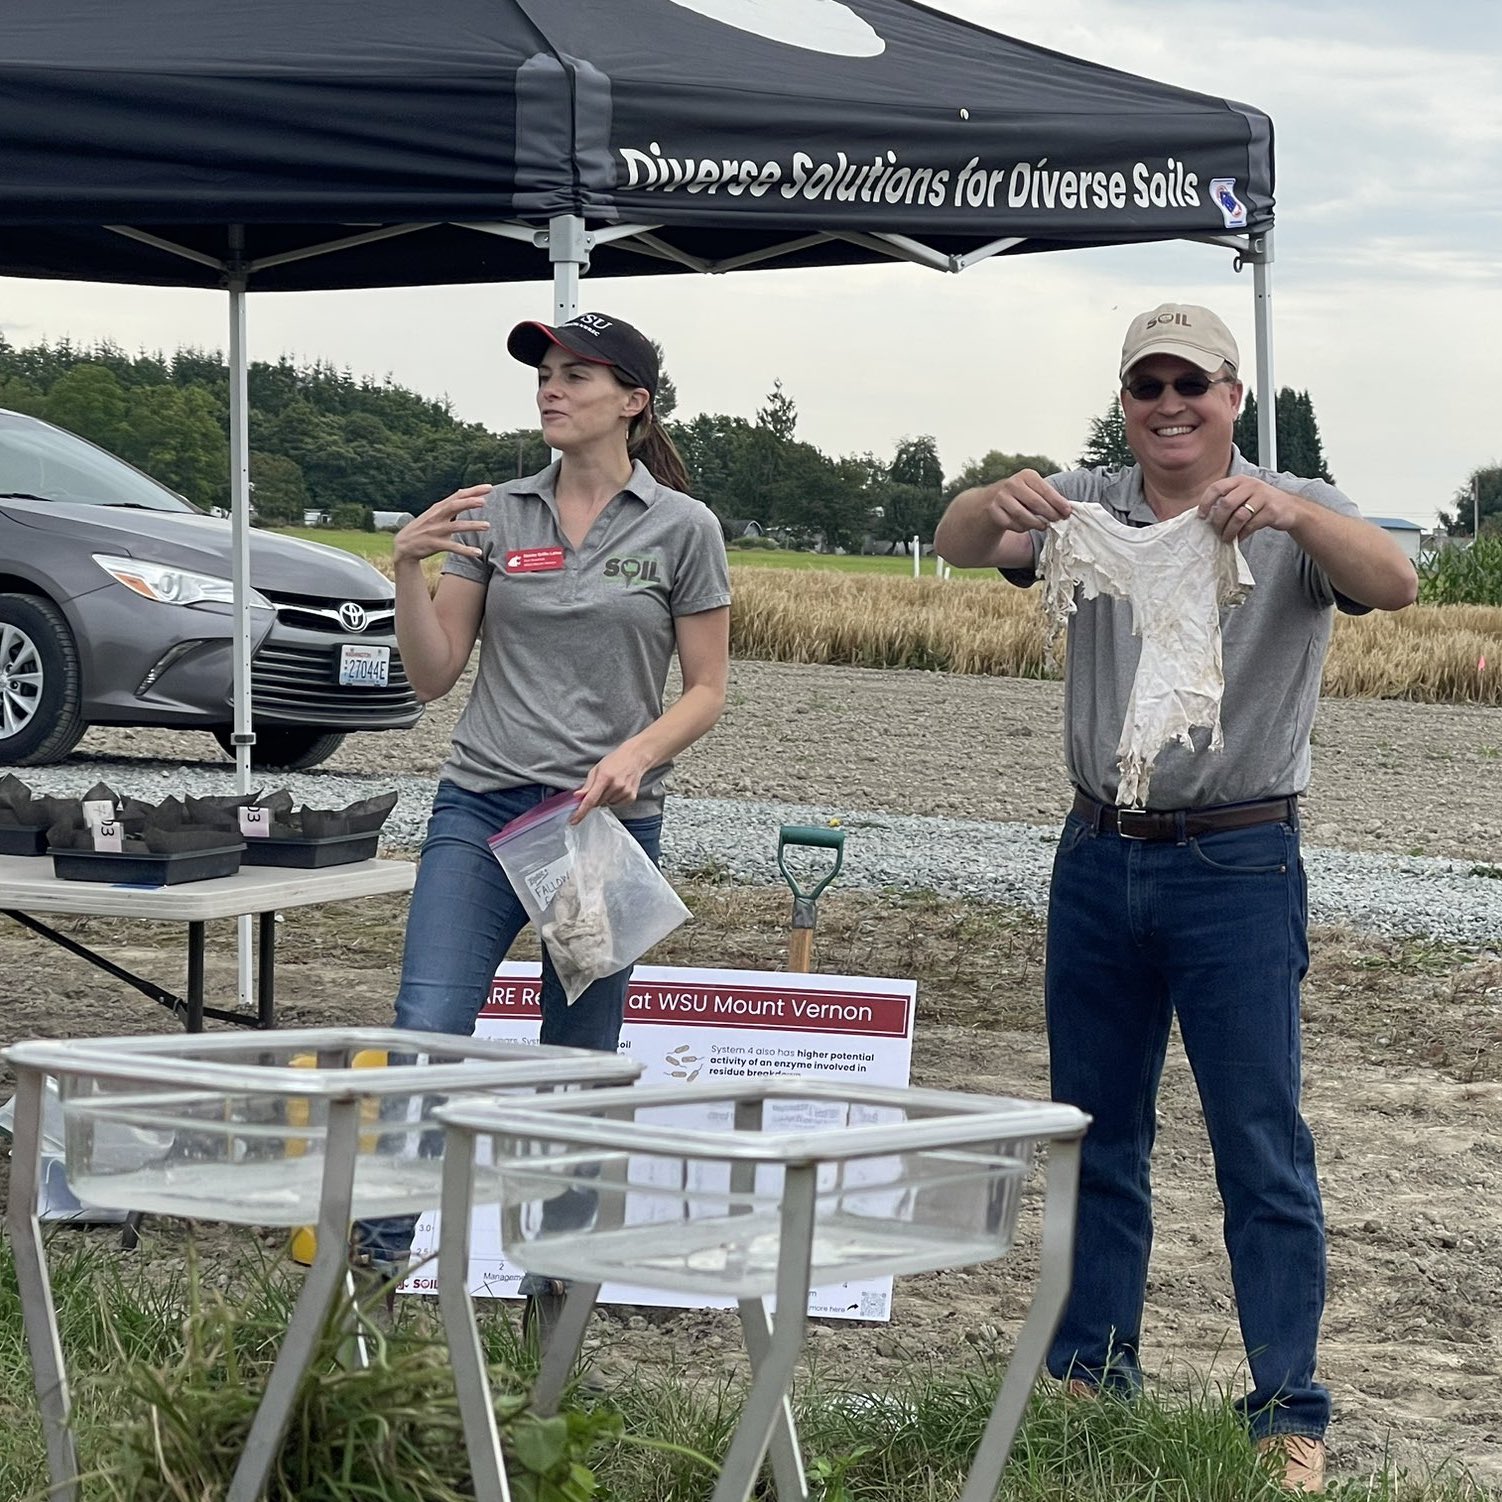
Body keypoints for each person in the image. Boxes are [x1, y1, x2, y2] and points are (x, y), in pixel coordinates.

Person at [934, 303, 1416, 1495]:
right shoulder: (1084, 503)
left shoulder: (1288, 509)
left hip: (1238, 866)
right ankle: (1092, 1372)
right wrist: (997, 499)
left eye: (1188, 383)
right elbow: (952, 538)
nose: (1166, 404)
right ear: (1123, 401)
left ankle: (1285, 1411)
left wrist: (1296, 513)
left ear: (1230, 395)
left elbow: (1396, 579)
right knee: (1095, 1133)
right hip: (1098, 854)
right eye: (1144, 384)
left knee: (1259, 1144)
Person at [353, 311, 731, 1310]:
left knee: (575, 1061)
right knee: (428, 1025)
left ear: (635, 401)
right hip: (479, 808)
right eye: (544, 373)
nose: (550, 388)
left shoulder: (682, 528)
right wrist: (406, 570)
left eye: (576, 374)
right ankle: (373, 1272)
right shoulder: (498, 511)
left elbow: (704, 687)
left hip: (597, 829)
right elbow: (433, 677)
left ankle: (554, 1291)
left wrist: (633, 757)